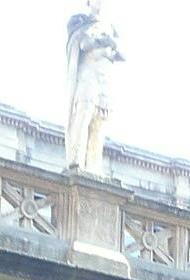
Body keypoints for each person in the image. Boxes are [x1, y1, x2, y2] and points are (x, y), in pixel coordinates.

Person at [65, 3, 123, 176]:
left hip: (103, 82)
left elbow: (114, 54)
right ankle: (76, 163)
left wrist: (109, 47)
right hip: (86, 78)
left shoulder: (111, 28)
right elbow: (83, 43)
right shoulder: (80, 21)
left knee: (100, 122)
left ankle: (93, 169)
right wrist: (105, 42)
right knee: (82, 119)